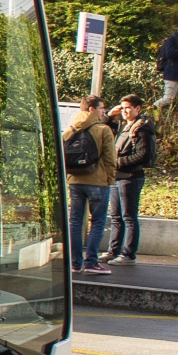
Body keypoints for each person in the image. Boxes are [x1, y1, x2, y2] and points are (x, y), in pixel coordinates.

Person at [65, 95, 118, 276]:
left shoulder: (70, 129)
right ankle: (91, 262)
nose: (104, 111)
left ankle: (74, 262)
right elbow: (111, 158)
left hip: (75, 181)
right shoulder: (103, 130)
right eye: (101, 108)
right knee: (98, 221)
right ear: (91, 109)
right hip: (97, 181)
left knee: (75, 222)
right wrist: (109, 179)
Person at [103, 94, 157, 266]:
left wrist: (117, 163)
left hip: (130, 178)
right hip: (117, 177)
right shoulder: (124, 126)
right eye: (123, 108)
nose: (125, 111)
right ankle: (113, 251)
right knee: (116, 217)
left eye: (128, 108)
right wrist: (110, 115)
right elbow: (102, 127)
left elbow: (143, 155)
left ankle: (128, 254)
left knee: (128, 217)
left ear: (137, 109)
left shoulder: (141, 129)